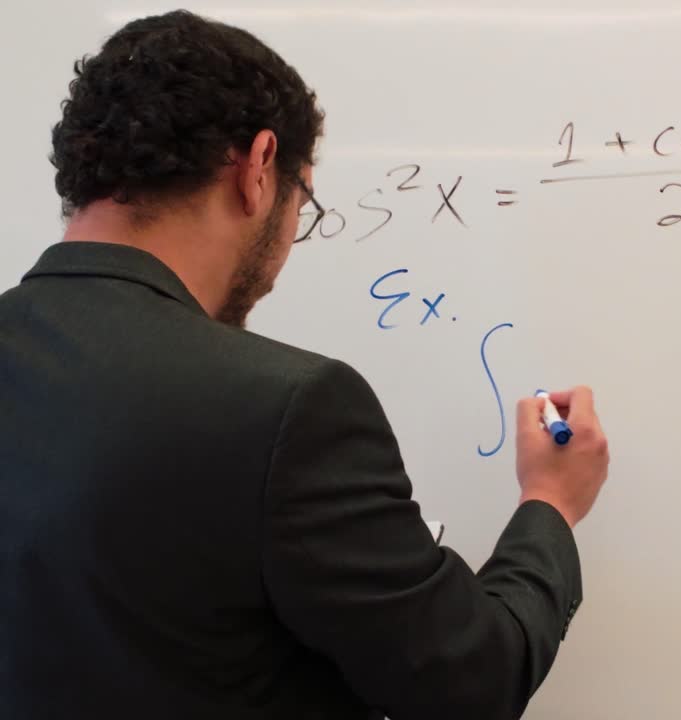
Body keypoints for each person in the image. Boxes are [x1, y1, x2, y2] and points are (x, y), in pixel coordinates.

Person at [0, 10, 609, 720]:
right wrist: (550, 504)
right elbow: (470, 683)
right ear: (258, 167)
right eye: (304, 201)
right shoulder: (290, 409)